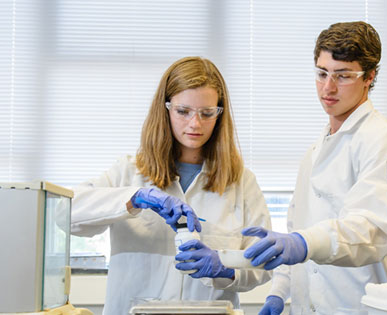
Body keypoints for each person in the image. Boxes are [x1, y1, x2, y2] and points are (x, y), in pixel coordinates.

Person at [70, 56, 272, 314]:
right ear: (165, 109)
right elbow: (65, 213)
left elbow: (263, 264)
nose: (195, 123)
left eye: (207, 113)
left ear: (219, 114)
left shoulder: (241, 181)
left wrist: (227, 269)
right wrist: (135, 197)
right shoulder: (129, 172)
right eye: (183, 111)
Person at [242, 21, 387, 314]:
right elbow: (295, 231)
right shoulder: (315, 151)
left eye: (342, 76)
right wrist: (278, 292)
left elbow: (375, 229)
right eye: (322, 74)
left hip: (358, 307)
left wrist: (305, 242)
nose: (328, 88)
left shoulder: (383, 141)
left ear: (369, 76)